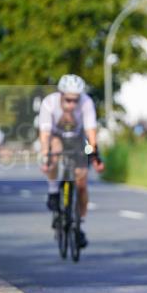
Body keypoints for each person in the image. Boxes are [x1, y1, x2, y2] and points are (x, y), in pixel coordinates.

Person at [38, 75, 104, 248]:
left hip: (77, 139)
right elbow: (45, 134)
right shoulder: (49, 103)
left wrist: (94, 154)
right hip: (55, 137)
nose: (72, 105)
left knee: (82, 183)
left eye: (75, 100)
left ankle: (79, 223)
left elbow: (91, 133)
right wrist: (46, 156)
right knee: (54, 152)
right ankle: (53, 191)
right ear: (60, 95)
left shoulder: (86, 102)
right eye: (68, 100)